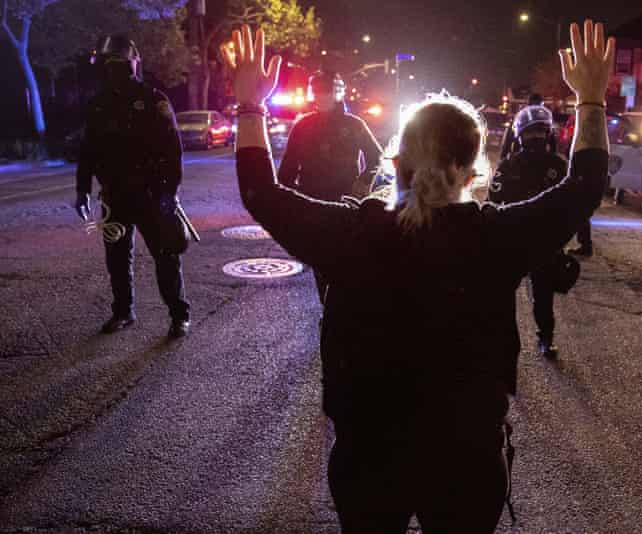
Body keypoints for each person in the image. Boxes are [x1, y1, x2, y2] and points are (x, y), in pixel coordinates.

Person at [225, 20, 611, 533]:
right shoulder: (493, 238)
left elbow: (259, 192)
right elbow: (584, 187)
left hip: (368, 454)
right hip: (467, 456)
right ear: (473, 173)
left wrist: (250, 105)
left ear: (395, 161)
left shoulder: (352, 234)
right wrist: (591, 99)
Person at [75, 34, 190, 338]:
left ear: (133, 64)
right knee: (116, 258)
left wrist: (170, 192)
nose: (115, 70)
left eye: (120, 63)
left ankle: (179, 315)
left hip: (152, 195)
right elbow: (87, 151)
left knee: (166, 257)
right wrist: (82, 189)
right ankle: (123, 312)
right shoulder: (98, 105)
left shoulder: (154, 100)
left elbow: (173, 152)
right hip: (114, 197)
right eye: (109, 64)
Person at [276, 69, 383, 304]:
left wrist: (364, 181)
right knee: (321, 262)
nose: (321, 96)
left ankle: (340, 311)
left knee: (344, 261)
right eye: (317, 92)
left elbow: (376, 158)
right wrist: (289, 203)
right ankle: (329, 310)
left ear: (337, 93)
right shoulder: (303, 126)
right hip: (312, 204)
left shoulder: (354, 125)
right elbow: (287, 171)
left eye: (326, 91)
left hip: (345, 203)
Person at [491, 105, 569, 359]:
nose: (535, 138)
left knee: (543, 296)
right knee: (502, 296)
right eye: (531, 133)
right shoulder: (509, 166)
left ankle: (545, 337)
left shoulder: (558, 166)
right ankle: (504, 346)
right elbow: (494, 200)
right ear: (520, 136)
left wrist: (562, 238)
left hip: (542, 241)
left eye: (540, 132)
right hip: (513, 239)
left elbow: (572, 204)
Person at [499, 93, 556, 159]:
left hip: (538, 156)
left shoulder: (544, 120)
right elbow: (509, 137)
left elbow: (551, 136)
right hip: (521, 155)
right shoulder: (522, 117)